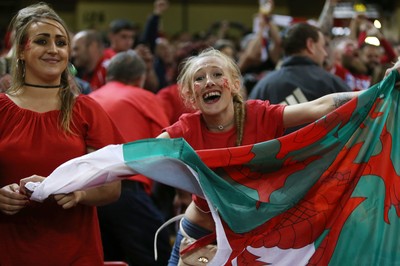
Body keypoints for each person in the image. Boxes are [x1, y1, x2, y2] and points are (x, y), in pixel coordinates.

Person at [156, 47, 362, 265]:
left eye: (217, 74)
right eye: (199, 78)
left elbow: (319, 106)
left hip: (254, 237)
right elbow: (143, 153)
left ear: (235, 84)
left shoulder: (260, 115)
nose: (209, 82)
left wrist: (378, 89)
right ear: (190, 94)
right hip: (201, 236)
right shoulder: (187, 128)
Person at [0, 2, 124, 265]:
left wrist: (78, 193)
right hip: (9, 250)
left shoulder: (87, 110)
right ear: (21, 51)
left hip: (75, 252)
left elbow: (112, 187)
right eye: (42, 41)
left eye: (61, 42)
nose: (53, 50)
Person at [90, 50, 171, 266]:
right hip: (126, 191)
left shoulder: (87, 100)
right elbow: (168, 147)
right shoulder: (144, 97)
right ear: (140, 79)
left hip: (88, 197)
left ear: (108, 75)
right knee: (158, 253)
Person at [248, 22, 351, 133]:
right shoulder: (333, 83)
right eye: (323, 46)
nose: (325, 54)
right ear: (310, 45)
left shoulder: (262, 87)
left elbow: (250, 132)